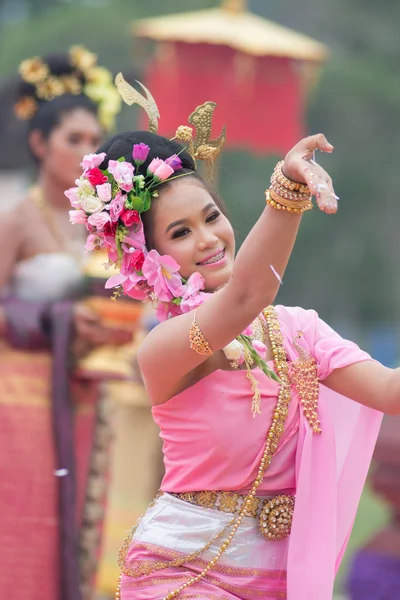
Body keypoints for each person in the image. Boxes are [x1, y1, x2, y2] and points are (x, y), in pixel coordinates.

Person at [67, 84, 398, 600]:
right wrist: (288, 184)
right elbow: (247, 295)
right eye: (179, 233)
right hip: (178, 575)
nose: (206, 239)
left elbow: (391, 393)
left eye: (212, 217)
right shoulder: (164, 349)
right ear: (147, 257)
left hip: (275, 582)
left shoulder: (298, 330)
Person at [0, 48, 130, 600]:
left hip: (90, 390)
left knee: (82, 521)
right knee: (26, 519)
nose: (85, 154)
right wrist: (58, 317)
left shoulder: (105, 224)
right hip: (22, 395)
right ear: (38, 144)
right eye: (72, 141)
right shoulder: (17, 219)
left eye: (93, 143)